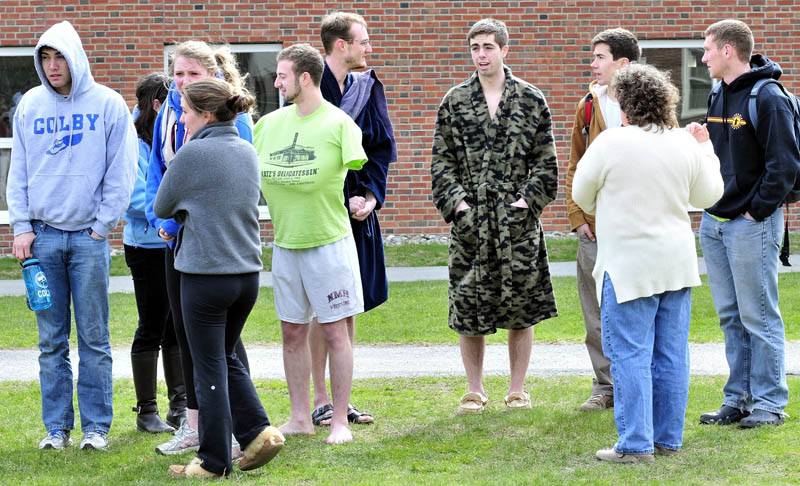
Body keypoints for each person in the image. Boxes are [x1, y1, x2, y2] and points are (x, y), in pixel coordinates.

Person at [572, 63, 723, 463]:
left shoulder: (610, 144)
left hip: (627, 267)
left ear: (625, 105)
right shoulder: (683, 143)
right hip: (675, 262)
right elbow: (709, 194)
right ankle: (667, 440)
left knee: (630, 354)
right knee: (672, 353)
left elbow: (581, 194)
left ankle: (635, 444)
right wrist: (706, 146)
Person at [6, 21, 137, 451]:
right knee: (50, 342)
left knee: (94, 340)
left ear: (75, 56)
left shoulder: (108, 104)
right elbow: (18, 171)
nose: (52, 65)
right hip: (41, 239)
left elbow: (122, 171)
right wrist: (21, 227)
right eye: (45, 57)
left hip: (88, 239)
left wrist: (102, 226)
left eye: (59, 56)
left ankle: (96, 429)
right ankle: (57, 429)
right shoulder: (29, 106)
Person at [154, 77, 284, 478]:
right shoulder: (246, 149)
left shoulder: (193, 154)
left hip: (205, 277)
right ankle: (259, 433)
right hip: (246, 276)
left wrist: (185, 211)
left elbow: (161, 205)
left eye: (187, 112)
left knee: (207, 366)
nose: (182, 119)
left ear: (206, 114)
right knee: (225, 358)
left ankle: (212, 462)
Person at [431, 18, 558, 415]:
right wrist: (459, 207)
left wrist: (526, 204)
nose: (481, 55)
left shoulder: (531, 99)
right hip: (472, 224)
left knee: (521, 305)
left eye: (488, 47)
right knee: (468, 306)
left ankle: (517, 389)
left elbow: (546, 162)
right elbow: (441, 162)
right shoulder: (455, 101)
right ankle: (474, 389)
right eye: (475, 48)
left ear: (505, 50)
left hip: (516, 222)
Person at [253, 43, 367, 445]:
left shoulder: (339, 125)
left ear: (304, 78)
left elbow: (361, 173)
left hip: (328, 244)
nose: (276, 81)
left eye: (282, 75)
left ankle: (338, 421)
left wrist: (363, 200)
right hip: (285, 245)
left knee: (336, 333)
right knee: (291, 333)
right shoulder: (267, 126)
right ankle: (300, 416)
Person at [145, 40, 254, 456]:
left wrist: (173, 214)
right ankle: (194, 426)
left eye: (193, 74)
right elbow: (159, 168)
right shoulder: (169, 111)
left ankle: (230, 433)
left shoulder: (230, 117)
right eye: (178, 74)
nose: (184, 82)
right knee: (188, 336)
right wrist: (165, 223)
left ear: (211, 74)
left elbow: (228, 182)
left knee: (221, 349)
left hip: (216, 249)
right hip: (177, 239)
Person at [698, 19, 799, 428]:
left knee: (758, 314)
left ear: (727, 50)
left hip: (751, 223)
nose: (702, 57)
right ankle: (738, 399)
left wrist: (756, 210)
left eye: (706, 50)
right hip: (715, 221)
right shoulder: (717, 93)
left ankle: (769, 403)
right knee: (730, 315)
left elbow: (786, 165)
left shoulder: (768, 96)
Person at [309, 11, 397, 427]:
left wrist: (370, 196)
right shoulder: (310, 83)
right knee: (318, 307)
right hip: (319, 207)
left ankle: (342, 401)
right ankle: (320, 399)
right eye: (363, 41)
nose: (369, 48)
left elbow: (380, 146)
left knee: (347, 304)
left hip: (357, 209)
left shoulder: (367, 86)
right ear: (340, 45)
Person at [565, 28, 640, 412]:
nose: (592, 64)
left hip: (636, 226)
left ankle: (640, 384)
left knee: (637, 305)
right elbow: (576, 164)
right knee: (595, 310)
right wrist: (577, 217)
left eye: (599, 57)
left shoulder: (649, 104)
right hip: (594, 226)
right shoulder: (588, 106)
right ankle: (605, 385)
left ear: (622, 63)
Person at [124, 72, 181, 434]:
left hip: (174, 243)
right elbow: (133, 199)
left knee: (176, 325)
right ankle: (147, 411)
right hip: (145, 246)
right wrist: (172, 213)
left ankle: (180, 404)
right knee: (152, 325)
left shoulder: (168, 134)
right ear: (157, 105)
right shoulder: (131, 141)